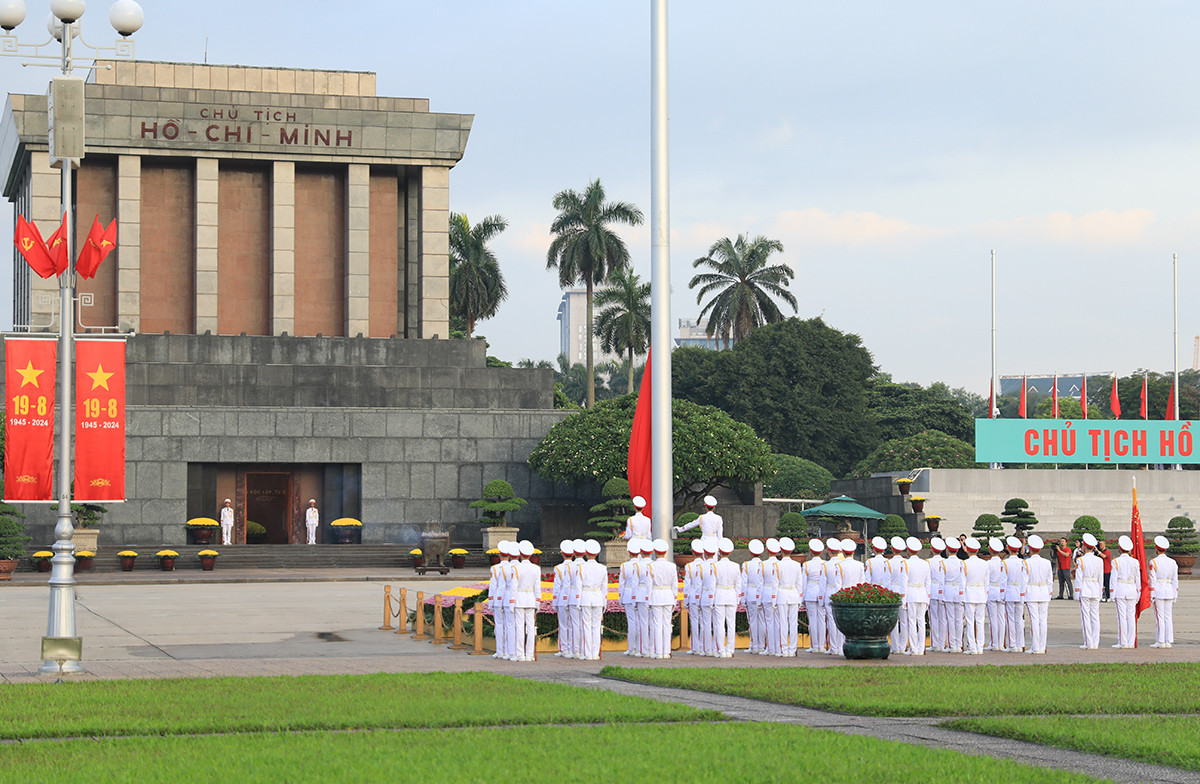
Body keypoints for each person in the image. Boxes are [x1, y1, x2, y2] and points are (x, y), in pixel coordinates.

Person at [578, 540, 607, 660]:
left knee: (586, 626)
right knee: (596, 626)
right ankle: (595, 653)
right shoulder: (602, 568)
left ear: (585, 552)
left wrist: (578, 602)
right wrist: (604, 603)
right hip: (598, 598)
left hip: (585, 596)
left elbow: (578, 587)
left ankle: (587, 653)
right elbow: (605, 588)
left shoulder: (581, 567)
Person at [1023, 535, 1052, 654]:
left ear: (1030, 548)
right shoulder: (1047, 562)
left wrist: (1023, 596)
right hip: (1044, 592)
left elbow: (1024, 581)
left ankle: (1035, 647)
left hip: (1032, 592)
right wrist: (1049, 594)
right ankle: (1042, 646)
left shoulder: (1027, 562)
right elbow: (1050, 581)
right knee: (1043, 620)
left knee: (1034, 620)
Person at [1111, 535, 1141, 649]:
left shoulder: (1116, 561)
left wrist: (1112, 593)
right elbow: (1137, 578)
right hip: (1132, 589)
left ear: (1119, 548)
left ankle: (1123, 642)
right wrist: (1138, 592)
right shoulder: (1135, 562)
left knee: (1122, 617)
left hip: (1120, 589)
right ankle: (1130, 642)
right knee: (1131, 617)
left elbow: (1113, 579)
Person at [648, 539, 676, 659]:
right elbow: (675, 585)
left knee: (657, 624)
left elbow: (649, 585)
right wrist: (674, 599)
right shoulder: (672, 566)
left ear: (655, 552)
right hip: (668, 596)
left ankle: (658, 652)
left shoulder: (651, 566)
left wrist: (648, 599)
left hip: (656, 596)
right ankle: (666, 651)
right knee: (666, 624)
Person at [512, 541, 540, 662]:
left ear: (520, 553)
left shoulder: (516, 568)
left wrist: (511, 602)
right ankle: (530, 655)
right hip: (531, 599)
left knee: (519, 627)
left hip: (519, 598)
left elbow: (514, 587)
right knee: (530, 627)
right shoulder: (536, 568)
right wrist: (537, 602)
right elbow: (537, 587)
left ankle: (520, 654)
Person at [1150, 535, 1179, 648]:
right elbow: (1175, 579)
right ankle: (1168, 640)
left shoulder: (1153, 562)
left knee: (1160, 617)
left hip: (1159, 590)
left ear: (1156, 549)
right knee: (1168, 616)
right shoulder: (1173, 562)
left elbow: (1152, 579)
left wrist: (1152, 593)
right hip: (1169, 590)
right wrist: (1175, 593)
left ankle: (1160, 640)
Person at [904, 537, 930, 656]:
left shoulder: (905, 563)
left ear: (909, 550)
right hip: (922, 594)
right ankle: (921, 647)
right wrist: (928, 598)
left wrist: (903, 599)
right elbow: (928, 583)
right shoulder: (925, 563)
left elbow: (904, 583)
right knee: (921, 622)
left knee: (912, 622)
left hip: (911, 594)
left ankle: (914, 648)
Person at [714, 538, 740, 658]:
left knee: (719, 624)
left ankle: (721, 650)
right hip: (731, 595)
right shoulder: (736, 566)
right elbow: (738, 585)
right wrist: (737, 599)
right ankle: (730, 649)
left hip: (719, 595)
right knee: (731, 624)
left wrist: (711, 600)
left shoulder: (715, 566)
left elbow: (712, 585)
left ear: (719, 551)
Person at [777, 537, 803, 657]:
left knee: (783, 623)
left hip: (782, 594)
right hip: (794, 594)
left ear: (781, 550)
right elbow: (799, 584)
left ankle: (784, 649)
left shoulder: (777, 565)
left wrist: (773, 600)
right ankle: (793, 649)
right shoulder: (797, 565)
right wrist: (800, 599)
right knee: (793, 623)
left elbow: (774, 584)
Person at [1076, 533, 1103, 650]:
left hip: (1085, 589)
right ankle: (1095, 642)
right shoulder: (1099, 560)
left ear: (1084, 547)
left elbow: (1079, 578)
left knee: (1086, 616)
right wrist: (1100, 591)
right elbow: (1100, 578)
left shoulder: (1081, 560)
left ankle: (1088, 642)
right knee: (1095, 616)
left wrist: (1077, 592)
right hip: (1095, 588)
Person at [962, 538, 988, 655]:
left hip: (969, 594)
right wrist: (985, 594)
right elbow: (987, 582)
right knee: (980, 621)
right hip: (981, 594)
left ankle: (972, 647)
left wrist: (962, 597)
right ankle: (980, 647)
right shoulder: (984, 563)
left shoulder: (965, 564)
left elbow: (962, 582)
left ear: (967, 550)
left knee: (970, 621)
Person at [740, 539, 766, 653]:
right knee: (762, 621)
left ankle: (754, 645)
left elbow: (743, 583)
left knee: (753, 621)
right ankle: (761, 645)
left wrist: (743, 598)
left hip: (750, 594)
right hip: (762, 595)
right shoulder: (764, 564)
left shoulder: (746, 565)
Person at [617, 539, 642, 656]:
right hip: (641, 595)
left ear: (629, 552)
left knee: (632, 622)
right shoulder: (644, 565)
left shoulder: (624, 566)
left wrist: (620, 598)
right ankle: (641, 647)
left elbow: (621, 584)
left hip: (627, 594)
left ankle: (632, 647)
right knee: (642, 622)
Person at [802, 538, 826, 654]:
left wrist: (802, 598)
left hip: (810, 592)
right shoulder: (825, 564)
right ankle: (821, 645)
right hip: (822, 593)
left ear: (811, 551)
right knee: (822, 620)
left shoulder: (807, 565)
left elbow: (803, 583)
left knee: (812, 619)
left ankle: (815, 645)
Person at [552, 540, 575, 657]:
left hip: (562, 597)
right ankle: (572, 648)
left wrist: (555, 601)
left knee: (563, 624)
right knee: (573, 624)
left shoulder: (559, 568)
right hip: (574, 598)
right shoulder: (578, 566)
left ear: (562, 553)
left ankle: (564, 648)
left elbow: (557, 586)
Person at [1004, 536, 1026, 652]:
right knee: (1019, 619)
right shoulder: (1023, 562)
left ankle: (1012, 644)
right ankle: (1020, 643)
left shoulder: (1006, 563)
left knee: (1011, 620)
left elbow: (1003, 581)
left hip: (1010, 591)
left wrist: (1002, 595)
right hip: (1020, 592)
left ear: (1008, 548)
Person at [943, 537, 965, 652]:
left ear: (948, 549)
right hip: (959, 591)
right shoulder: (962, 563)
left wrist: (941, 595)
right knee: (959, 620)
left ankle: (952, 645)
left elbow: (942, 581)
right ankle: (959, 644)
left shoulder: (944, 563)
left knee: (950, 619)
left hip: (948, 591)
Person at [887, 536, 908, 654]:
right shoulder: (906, 562)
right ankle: (903, 645)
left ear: (892, 549)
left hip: (893, 591)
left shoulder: (889, 563)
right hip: (904, 591)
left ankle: (895, 646)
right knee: (904, 621)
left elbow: (887, 581)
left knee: (894, 622)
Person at [824, 538, 846, 656]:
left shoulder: (826, 565)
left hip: (829, 592)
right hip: (842, 593)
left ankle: (834, 647)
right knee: (842, 621)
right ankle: (841, 645)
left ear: (829, 551)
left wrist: (822, 598)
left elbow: (823, 584)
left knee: (832, 621)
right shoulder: (843, 564)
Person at [683, 540, 705, 654]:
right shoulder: (707, 565)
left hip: (692, 596)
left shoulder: (689, 566)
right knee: (705, 622)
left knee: (695, 622)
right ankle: (704, 646)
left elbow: (687, 585)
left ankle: (695, 647)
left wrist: (686, 599)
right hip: (704, 595)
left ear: (693, 552)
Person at [761, 538, 782, 656]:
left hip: (766, 593)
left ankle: (771, 648)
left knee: (769, 622)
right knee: (778, 622)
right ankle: (777, 648)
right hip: (778, 593)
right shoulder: (780, 564)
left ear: (767, 550)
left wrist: (759, 598)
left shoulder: (763, 565)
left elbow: (760, 583)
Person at [698, 540, 719, 657]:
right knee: (716, 623)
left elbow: (698, 586)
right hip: (717, 596)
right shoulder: (717, 565)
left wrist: (697, 599)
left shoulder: (701, 567)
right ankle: (716, 648)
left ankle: (706, 648)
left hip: (705, 595)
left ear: (705, 554)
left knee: (706, 623)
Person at [489, 541, 510, 659]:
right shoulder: (513, 567)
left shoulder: (495, 568)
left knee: (499, 625)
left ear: (500, 555)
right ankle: (508, 650)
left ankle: (500, 650)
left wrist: (491, 601)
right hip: (508, 599)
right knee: (509, 626)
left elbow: (493, 586)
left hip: (498, 598)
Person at [633, 538, 653, 657]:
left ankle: (644, 650)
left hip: (641, 594)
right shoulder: (653, 564)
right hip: (654, 596)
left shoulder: (638, 565)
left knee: (643, 623)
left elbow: (635, 583)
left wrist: (635, 598)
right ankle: (653, 648)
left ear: (641, 552)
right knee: (654, 623)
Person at [986, 538, 1007, 651]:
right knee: (1001, 618)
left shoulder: (988, 564)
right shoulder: (1003, 563)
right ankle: (1001, 643)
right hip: (1002, 590)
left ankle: (994, 643)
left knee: (993, 618)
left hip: (992, 590)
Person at [928, 538, 947, 653]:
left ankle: (935, 643)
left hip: (932, 590)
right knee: (943, 618)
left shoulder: (929, 562)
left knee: (933, 618)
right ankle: (942, 643)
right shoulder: (945, 561)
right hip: (943, 591)